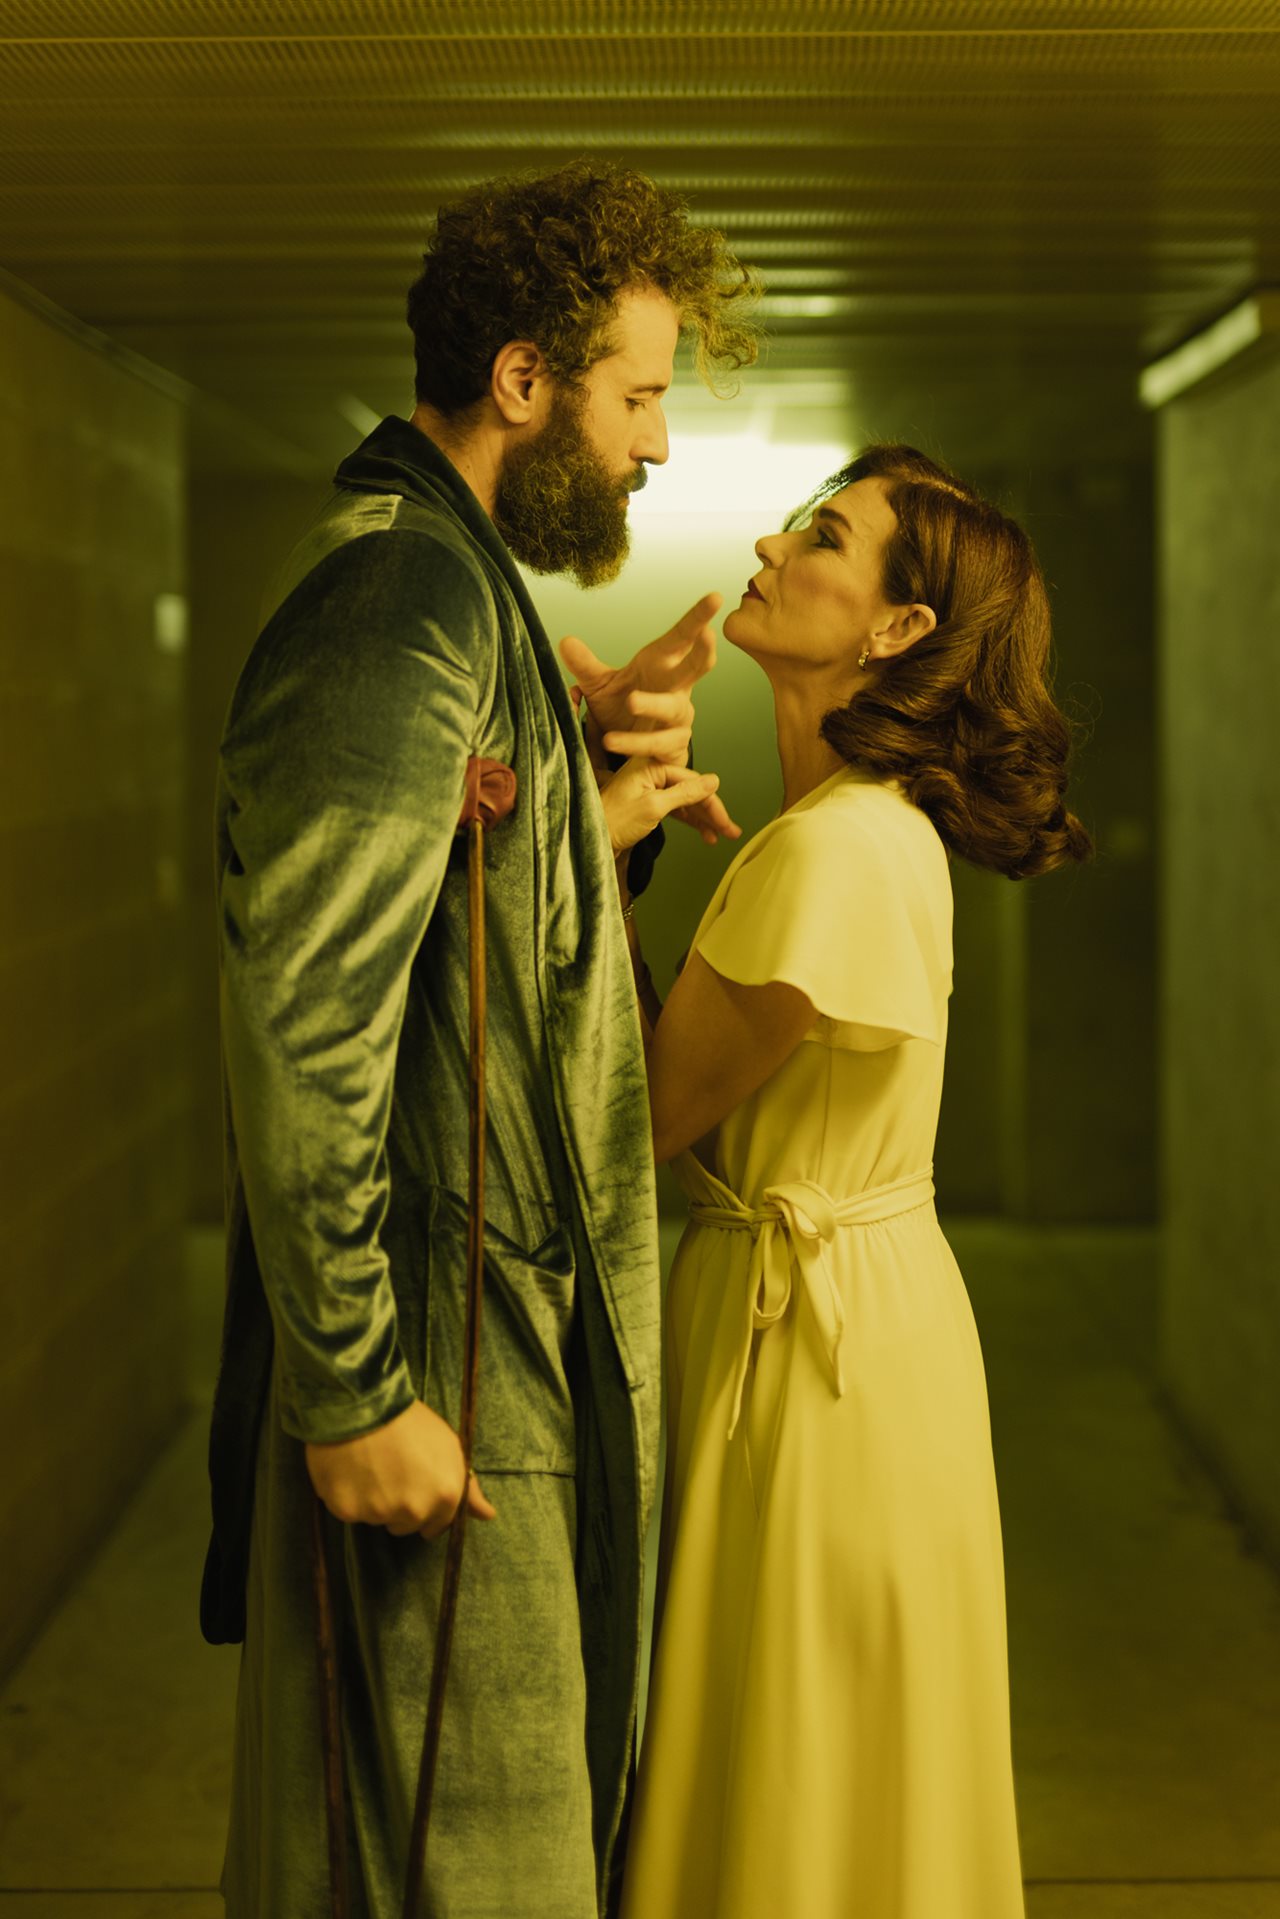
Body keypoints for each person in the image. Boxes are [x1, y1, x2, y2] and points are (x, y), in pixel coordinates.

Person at [199, 160, 757, 1919]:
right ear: (525, 380)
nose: (657, 444)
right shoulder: (399, 598)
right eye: (638, 395)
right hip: (440, 1371)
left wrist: (589, 820)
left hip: (496, 1352)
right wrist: (357, 1385)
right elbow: (311, 1006)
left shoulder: (461, 585)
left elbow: (456, 928)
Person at [593, 443, 1092, 1919]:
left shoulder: (843, 849)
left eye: (821, 535)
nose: (769, 545)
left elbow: (636, 1115)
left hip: (820, 1360)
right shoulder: (837, 831)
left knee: (802, 1754)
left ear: (897, 629)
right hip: (825, 1318)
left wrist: (586, 846)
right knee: (801, 1750)